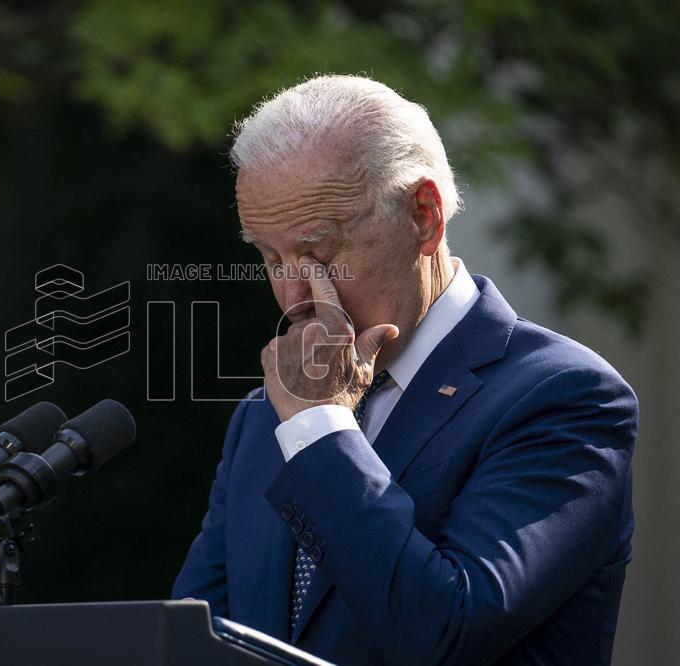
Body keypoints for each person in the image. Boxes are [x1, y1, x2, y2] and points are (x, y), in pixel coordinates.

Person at [172, 75, 638, 666]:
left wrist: (319, 429)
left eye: (318, 253)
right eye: (270, 258)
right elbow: (190, 640)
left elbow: (444, 633)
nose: (293, 295)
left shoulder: (565, 397)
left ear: (424, 216)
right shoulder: (266, 417)